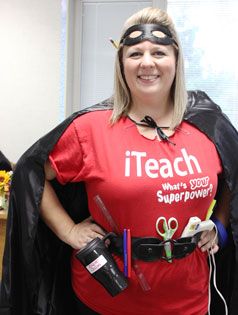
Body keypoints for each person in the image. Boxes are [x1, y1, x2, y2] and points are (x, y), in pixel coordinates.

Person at [1, 6, 238, 315]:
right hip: (102, 300)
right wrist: (69, 232)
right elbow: (30, 173)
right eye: (135, 53)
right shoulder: (91, 129)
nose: (148, 62)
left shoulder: (209, 126)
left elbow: (233, 176)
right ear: (121, 63)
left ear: (176, 60)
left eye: (159, 52)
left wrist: (219, 225)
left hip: (189, 299)